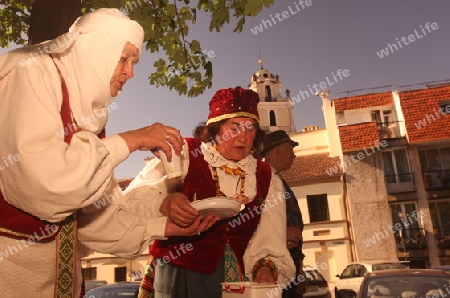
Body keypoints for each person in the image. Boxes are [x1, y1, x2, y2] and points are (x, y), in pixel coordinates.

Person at [0, 8, 217, 298]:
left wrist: (167, 227)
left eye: (134, 62)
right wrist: (131, 140)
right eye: (124, 57)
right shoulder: (30, 71)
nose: (130, 72)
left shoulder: (91, 120)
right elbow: (44, 186)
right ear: (95, 48)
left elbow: (94, 221)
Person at [127, 86, 296, 298]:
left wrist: (265, 267)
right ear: (216, 130)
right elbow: (134, 197)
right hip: (179, 272)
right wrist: (166, 203)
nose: (243, 137)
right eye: (234, 127)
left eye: (250, 128)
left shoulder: (266, 176)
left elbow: (269, 237)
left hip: (238, 279)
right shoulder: (185, 154)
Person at [260, 130, 305, 298]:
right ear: (277, 151)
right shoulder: (262, 181)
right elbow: (255, 222)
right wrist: (282, 234)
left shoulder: (277, 180)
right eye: (290, 151)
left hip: (286, 262)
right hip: (271, 265)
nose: (293, 156)